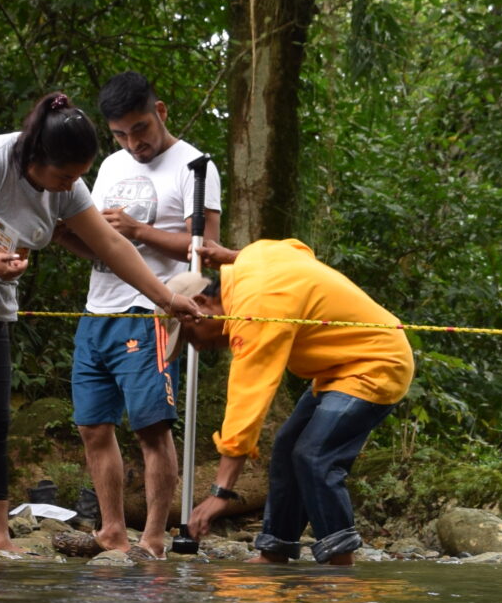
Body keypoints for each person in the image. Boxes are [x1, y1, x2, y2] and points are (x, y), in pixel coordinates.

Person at [0, 93, 199, 561]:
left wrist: (167, 299)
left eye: (79, 176)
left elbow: (112, 247)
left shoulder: (66, 185)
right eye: (64, 176)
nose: (70, 186)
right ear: (36, 157)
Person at [59, 73, 220, 558]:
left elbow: (206, 250)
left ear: (161, 111)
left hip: (153, 307)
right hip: (98, 307)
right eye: (121, 134)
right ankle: (111, 529)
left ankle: (152, 536)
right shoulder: (108, 166)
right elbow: (97, 244)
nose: (134, 143)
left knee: (151, 426)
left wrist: (137, 230)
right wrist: (57, 233)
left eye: (141, 128)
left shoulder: (194, 165)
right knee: (92, 426)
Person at [175, 239, 413, 565]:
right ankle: (275, 550)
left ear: (201, 303)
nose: (196, 349)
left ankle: (340, 560)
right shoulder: (252, 261)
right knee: (287, 446)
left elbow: (247, 403)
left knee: (314, 454)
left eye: (189, 337)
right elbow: (297, 250)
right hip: (336, 369)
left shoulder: (254, 310)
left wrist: (220, 493)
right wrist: (230, 257)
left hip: (377, 363)